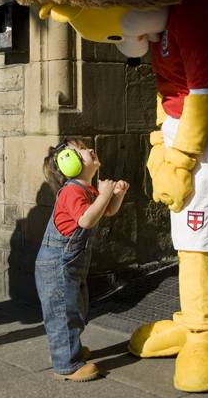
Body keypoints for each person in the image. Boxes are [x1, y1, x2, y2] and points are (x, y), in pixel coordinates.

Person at [13, 0, 208, 392]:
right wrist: (159, 141)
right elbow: (167, 89)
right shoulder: (158, 23)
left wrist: (182, 156)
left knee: (199, 234)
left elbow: (204, 92)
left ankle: (204, 334)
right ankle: (189, 318)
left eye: (114, 31)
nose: (123, 43)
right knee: (185, 231)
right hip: (185, 130)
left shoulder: (191, 13)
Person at [35, 136, 129, 381]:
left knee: (76, 309)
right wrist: (104, 194)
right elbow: (86, 219)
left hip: (71, 265)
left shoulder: (87, 189)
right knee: (63, 313)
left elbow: (105, 211)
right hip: (56, 265)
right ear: (69, 163)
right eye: (82, 149)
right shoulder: (72, 192)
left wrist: (114, 196)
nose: (90, 149)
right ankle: (66, 365)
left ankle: (67, 349)